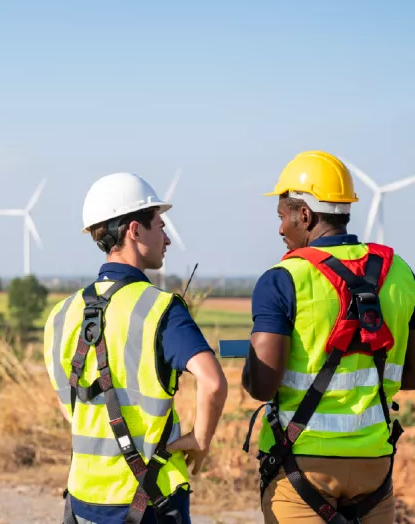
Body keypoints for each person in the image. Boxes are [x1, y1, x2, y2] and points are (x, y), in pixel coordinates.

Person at [44, 172, 228, 524]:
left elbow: (70, 406)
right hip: (151, 497)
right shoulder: (160, 309)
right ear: (134, 230)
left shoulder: (61, 314)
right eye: (159, 224)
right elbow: (213, 382)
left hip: (83, 496)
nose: (167, 238)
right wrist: (200, 441)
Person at [241, 150, 415, 523]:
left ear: (304, 214)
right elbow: (412, 374)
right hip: (375, 467)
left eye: (282, 216)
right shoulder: (400, 272)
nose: (280, 229)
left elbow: (262, 386)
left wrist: (250, 362)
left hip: (302, 467)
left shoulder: (283, 279)